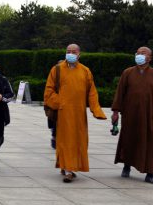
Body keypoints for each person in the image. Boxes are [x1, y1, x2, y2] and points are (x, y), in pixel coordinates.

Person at [42, 45, 107, 182]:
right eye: (68, 51)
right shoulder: (57, 69)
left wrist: (96, 110)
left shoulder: (85, 71)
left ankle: (67, 166)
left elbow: (92, 92)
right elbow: (49, 90)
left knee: (78, 142)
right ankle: (68, 170)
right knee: (65, 141)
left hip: (78, 113)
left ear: (79, 54)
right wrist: (61, 102)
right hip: (63, 113)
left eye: (73, 52)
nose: (70, 54)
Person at [111, 46, 153, 185]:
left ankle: (150, 173)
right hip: (130, 114)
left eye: (143, 53)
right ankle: (126, 166)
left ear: (150, 58)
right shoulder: (127, 73)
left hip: (149, 116)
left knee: (151, 143)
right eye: (137, 53)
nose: (139, 55)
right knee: (129, 139)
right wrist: (116, 111)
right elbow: (120, 94)